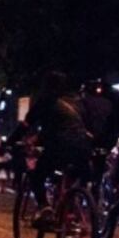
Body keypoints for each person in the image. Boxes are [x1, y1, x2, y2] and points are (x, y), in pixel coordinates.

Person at [22, 71, 93, 225]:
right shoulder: (77, 102)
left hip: (59, 146)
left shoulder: (46, 101)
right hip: (83, 148)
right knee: (72, 179)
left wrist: (13, 141)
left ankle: (45, 208)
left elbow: (27, 123)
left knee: (37, 176)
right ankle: (71, 210)